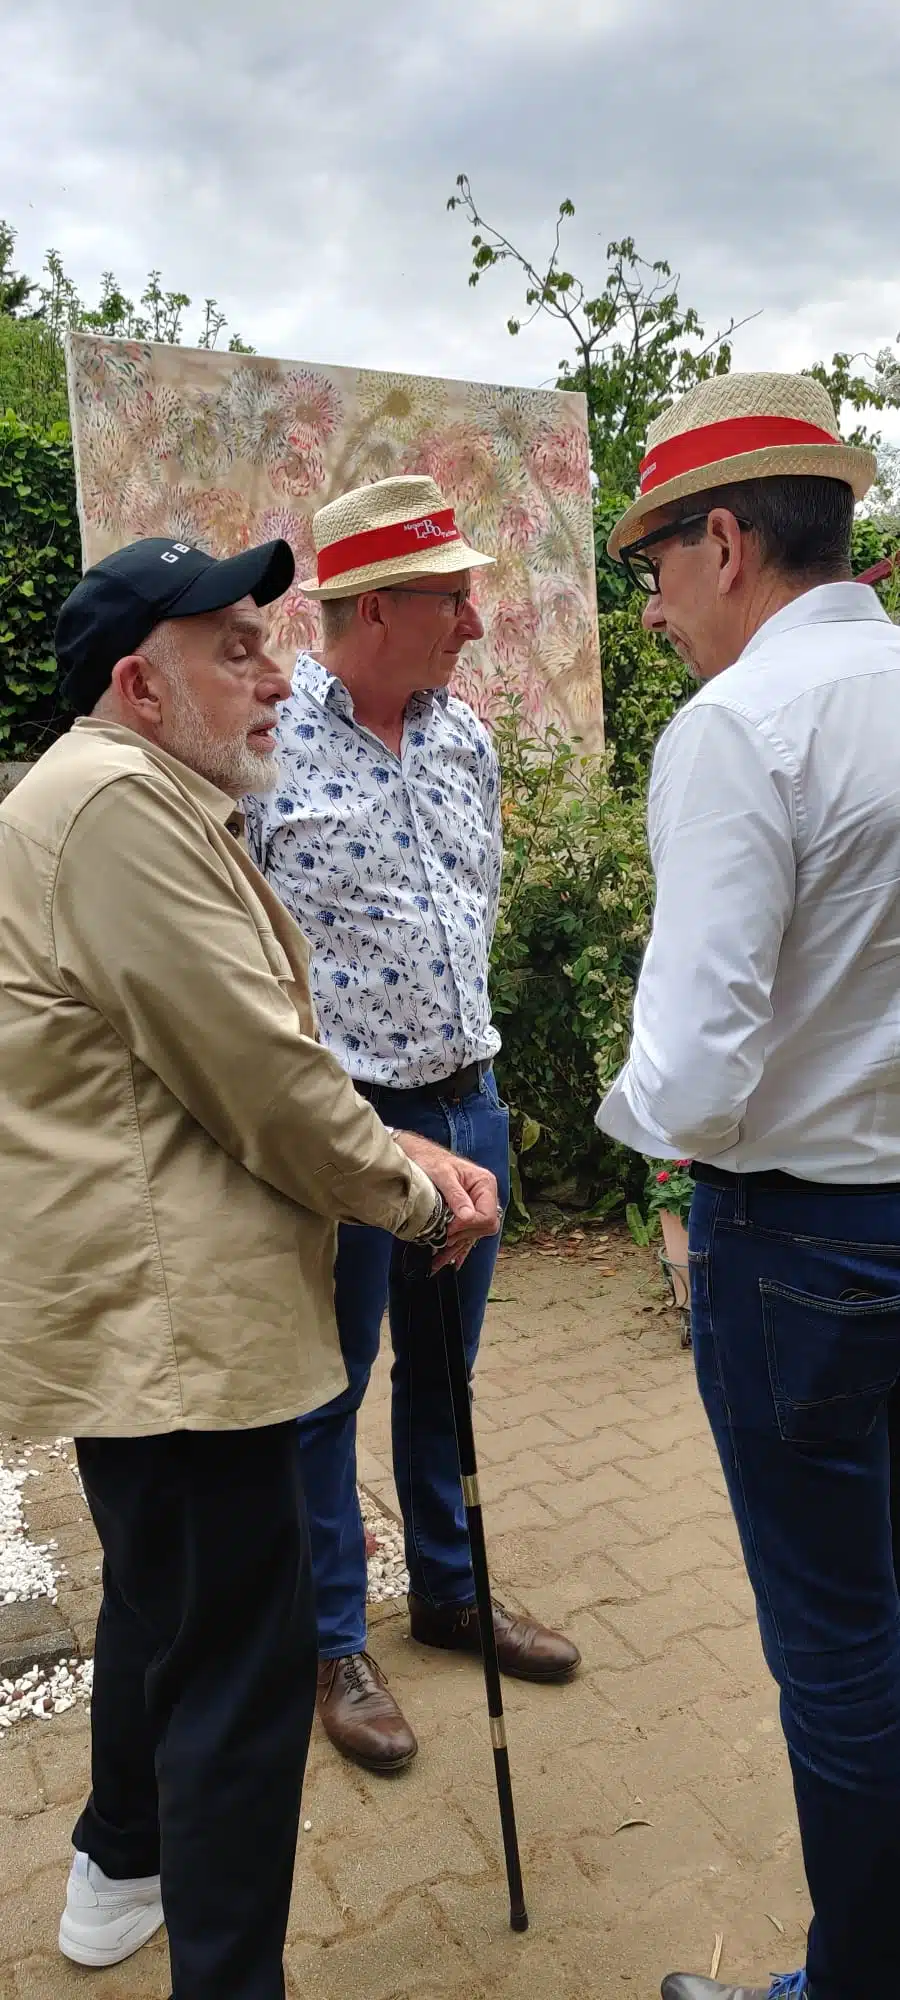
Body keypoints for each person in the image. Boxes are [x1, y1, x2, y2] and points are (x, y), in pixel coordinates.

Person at [0, 533, 500, 1999]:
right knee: (241, 1672)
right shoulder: (116, 813)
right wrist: (416, 1193)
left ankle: (114, 1859)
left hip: (151, 1313)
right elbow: (263, 1077)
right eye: (233, 644)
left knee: (167, 1605)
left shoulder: (127, 794)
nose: (273, 669)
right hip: (180, 1330)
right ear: (137, 685)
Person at [596, 371, 900, 2000]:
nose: (653, 609)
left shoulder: (739, 730)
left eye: (652, 571)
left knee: (843, 1654)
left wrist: (615, 1105)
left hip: (801, 1247)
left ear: (727, 542)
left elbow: (696, 1079)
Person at [247, 473, 579, 1774]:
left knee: (445, 1377)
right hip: (346, 1121)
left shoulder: (463, 738)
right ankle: (334, 1636)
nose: (478, 623)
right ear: (375, 607)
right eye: (454, 598)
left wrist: (468, 1106)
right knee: (324, 1391)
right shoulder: (273, 748)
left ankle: (448, 1592)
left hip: (470, 1101)